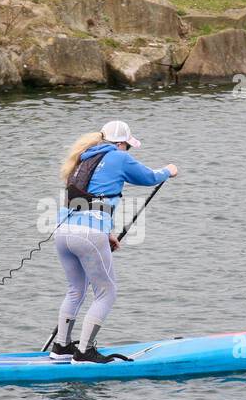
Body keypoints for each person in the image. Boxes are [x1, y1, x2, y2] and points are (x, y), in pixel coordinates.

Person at [50, 120, 178, 363]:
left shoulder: (84, 157)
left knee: (75, 289)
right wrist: (168, 171)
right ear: (120, 143)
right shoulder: (118, 156)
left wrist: (107, 232)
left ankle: (61, 347)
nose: (127, 151)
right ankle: (85, 352)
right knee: (106, 292)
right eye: (127, 146)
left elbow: (87, 199)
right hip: (87, 234)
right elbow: (148, 177)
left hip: (62, 230)